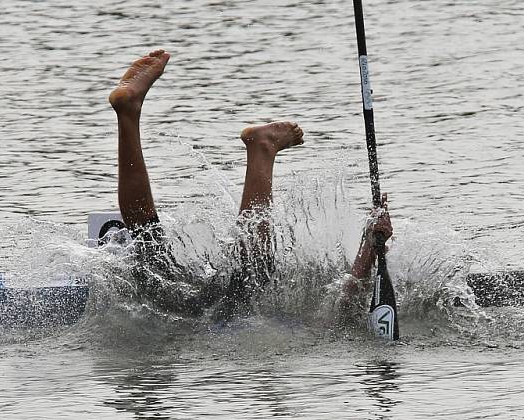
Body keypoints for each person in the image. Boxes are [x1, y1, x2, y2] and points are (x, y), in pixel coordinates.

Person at [108, 49, 392, 320]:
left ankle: (129, 112)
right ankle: (261, 149)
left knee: (154, 252)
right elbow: (342, 313)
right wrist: (368, 248)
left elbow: (343, 308)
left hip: (190, 323)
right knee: (156, 251)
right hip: (200, 323)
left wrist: (369, 247)